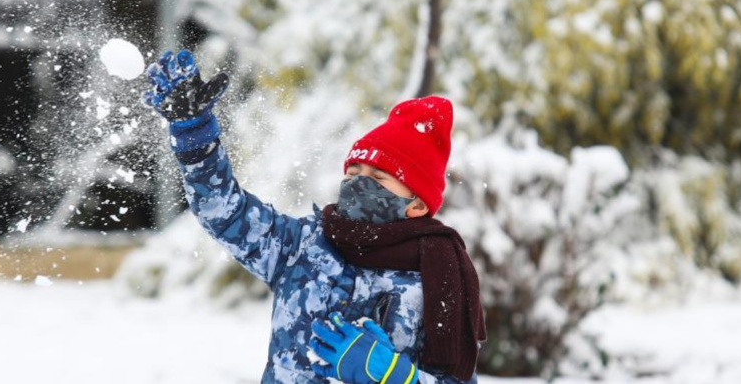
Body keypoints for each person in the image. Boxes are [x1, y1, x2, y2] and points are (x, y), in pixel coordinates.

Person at [143, 49, 487, 384]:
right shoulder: (302, 246)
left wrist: (394, 377)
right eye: (353, 172)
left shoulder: (439, 277)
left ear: (418, 205)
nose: (358, 183)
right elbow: (225, 211)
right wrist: (194, 137)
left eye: (378, 178)